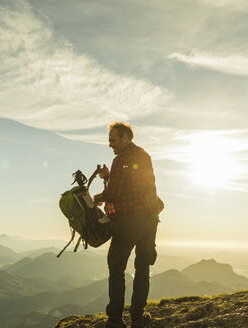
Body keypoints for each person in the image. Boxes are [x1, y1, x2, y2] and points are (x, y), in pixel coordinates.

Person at [93, 122, 164, 328]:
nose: (110, 144)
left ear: (125, 138)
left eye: (113, 140)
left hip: (129, 221)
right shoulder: (144, 155)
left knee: (116, 267)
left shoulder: (121, 159)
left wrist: (97, 197)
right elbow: (132, 185)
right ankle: (137, 317)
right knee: (142, 266)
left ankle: (115, 319)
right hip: (150, 219)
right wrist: (109, 177)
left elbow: (116, 192)